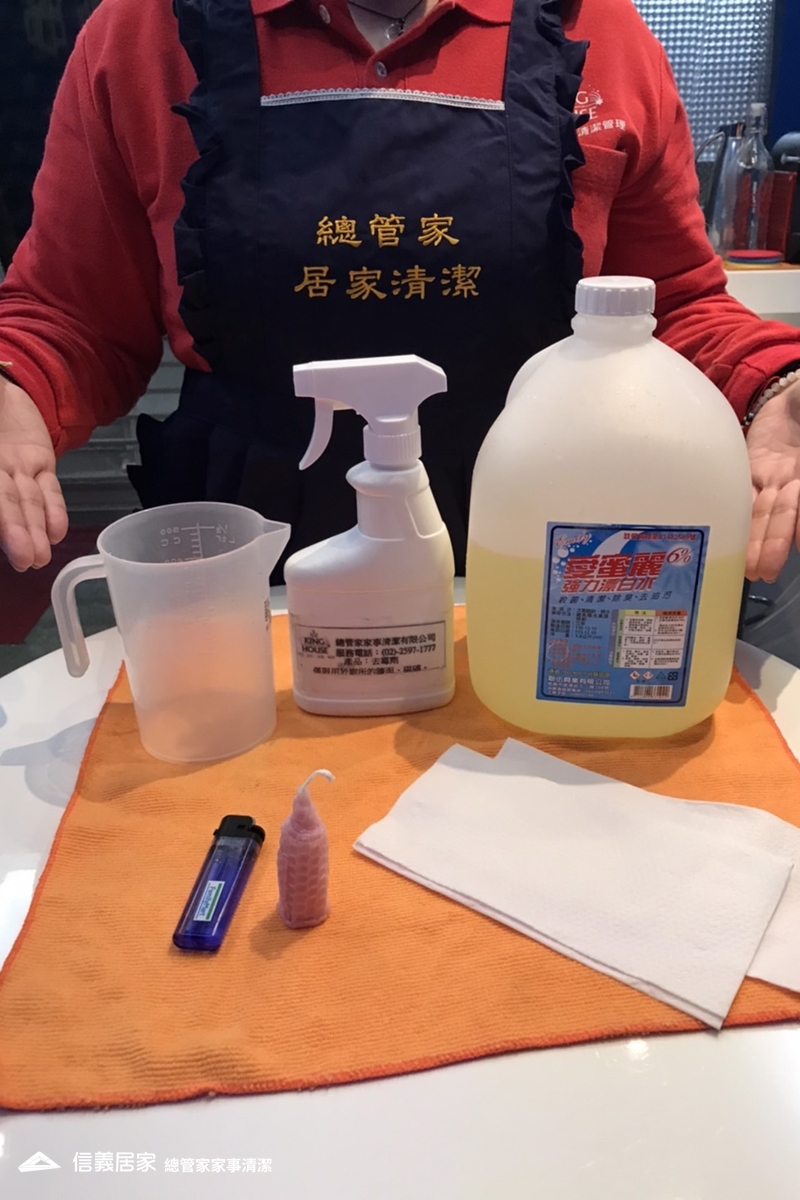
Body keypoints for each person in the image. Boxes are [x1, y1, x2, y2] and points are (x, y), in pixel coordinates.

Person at [1, 0, 799, 584]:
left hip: (534, 537)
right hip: (249, 554)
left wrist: (774, 386)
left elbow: (671, 307)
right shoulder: (145, 33)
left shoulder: (601, 31)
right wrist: (16, 386)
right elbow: (71, 315)